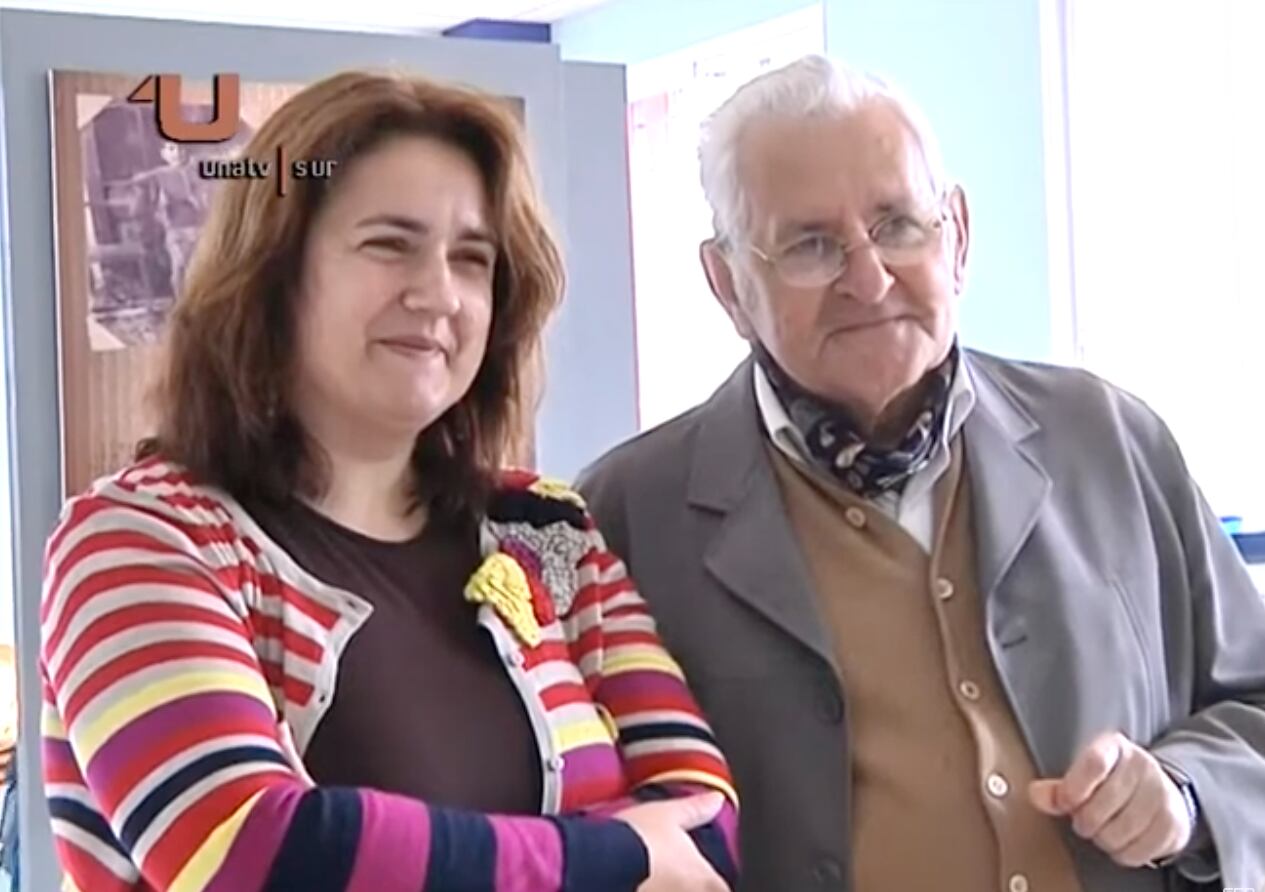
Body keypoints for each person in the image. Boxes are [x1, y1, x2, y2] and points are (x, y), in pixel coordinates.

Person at [576, 54, 1265, 892]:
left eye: (897, 224)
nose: (867, 280)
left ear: (958, 235)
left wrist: (1185, 794)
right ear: (727, 285)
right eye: (810, 246)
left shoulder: (1109, 441)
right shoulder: (624, 518)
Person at [39, 70, 738, 892]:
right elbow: (253, 855)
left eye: (471, 259)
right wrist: (615, 855)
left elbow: (700, 824)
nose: (439, 294)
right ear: (274, 273)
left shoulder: (546, 529)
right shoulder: (136, 540)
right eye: (389, 244)